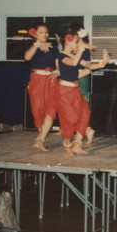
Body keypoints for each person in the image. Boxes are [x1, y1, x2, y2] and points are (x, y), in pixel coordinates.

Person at [65, 22, 110, 144]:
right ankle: (85, 131)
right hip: (75, 77)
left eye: (70, 33)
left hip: (79, 78)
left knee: (77, 108)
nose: (68, 36)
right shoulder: (78, 47)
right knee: (75, 109)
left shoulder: (82, 46)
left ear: (76, 34)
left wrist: (101, 64)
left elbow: (85, 65)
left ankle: (81, 133)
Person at [56, 27, 94, 156]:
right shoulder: (62, 56)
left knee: (84, 113)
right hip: (64, 91)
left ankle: (77, 144)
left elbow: (87, 65)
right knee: (70, 118)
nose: (78, 45)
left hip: (75, 90)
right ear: (68, 41)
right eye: (76, 42)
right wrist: (81, 49)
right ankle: (67, 144)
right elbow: (73, 63)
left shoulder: (73, 55)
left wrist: (102, 64)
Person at [24, 23, 60, 151]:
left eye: (46, 32)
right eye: (41, 32)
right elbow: (27, 57)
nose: (44, 35)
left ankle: (42, 140)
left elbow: (57, 64)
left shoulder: (53, 47)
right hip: (37, 81)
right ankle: (40, 136)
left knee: (51, 110)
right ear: (35, 34)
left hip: (51, 81)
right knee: (37, 111)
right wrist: (36, 45)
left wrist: (57, 71)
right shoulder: (32, 47)